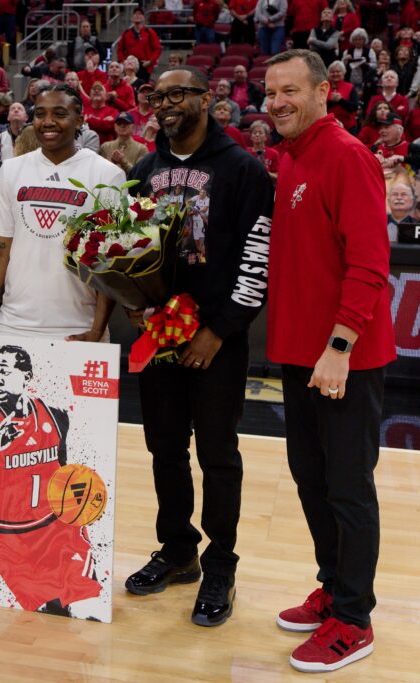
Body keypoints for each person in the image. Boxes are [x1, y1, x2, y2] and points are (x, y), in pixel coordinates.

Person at [120, 65, 274, 628]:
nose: (166, 104)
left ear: (206, 99)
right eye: (157, 96)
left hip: (216, 340)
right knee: (164, 448)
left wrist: (220, 330)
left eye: (178, 94)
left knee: (217, 454)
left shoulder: (243, 169)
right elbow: (125, 246)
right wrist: (133, 301)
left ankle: (221, 564)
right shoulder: (144, 169)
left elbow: (258, 259)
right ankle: (178, 549)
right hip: (159, 336)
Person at [264, 49, 394, 673]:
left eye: (290, 90)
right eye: (271, 93)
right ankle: (333, 586)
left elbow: (370, 263)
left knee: (348, 487)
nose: (277, 102)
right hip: (300, 355)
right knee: (311, 479)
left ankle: (354, 618)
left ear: (323, 91)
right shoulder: (291, 157)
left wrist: (340, 346)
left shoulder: (347, 156)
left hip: (344, 358)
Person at [0, 83, 124, 340]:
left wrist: (96, 330)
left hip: (81, 328)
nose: (48, 121)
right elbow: (0, 253)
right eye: (40, 114)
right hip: (14, 325)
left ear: (79, 120)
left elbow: (111, 263)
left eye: (59, 114)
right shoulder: (11, 170)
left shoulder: (107, 175)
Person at [0, 344, 102, 617]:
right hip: (11, 540)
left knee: (89, 609)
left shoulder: (55, 415)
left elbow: (62, 470)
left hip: (57, 531)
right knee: (54, 614)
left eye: (4, 371)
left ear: (27, 376)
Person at [117, 9, 162, 80]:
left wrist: (150, 61)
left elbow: (158, 48)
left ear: (143, 17)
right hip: (130, 66)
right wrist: (123, 61)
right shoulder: (126, 33)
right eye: (135, 14)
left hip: (144, 66)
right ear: (132, 17)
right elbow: (120, 49)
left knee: (143, 86)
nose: (137, 15)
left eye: (140, 14)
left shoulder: (149, 32)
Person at [326, 61, 358, 132]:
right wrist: (331, 101)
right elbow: (319, 106)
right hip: (328, 125)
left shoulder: (350, 87)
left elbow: (355, 107)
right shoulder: (324, 87)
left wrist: (341, 100)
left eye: (338, 72)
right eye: (332, 72)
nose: (335, 74)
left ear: (343, 73)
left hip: (348, 127)